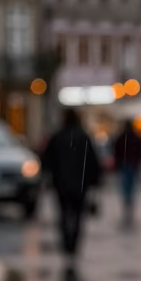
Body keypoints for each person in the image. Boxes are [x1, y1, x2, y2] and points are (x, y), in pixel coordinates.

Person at [41, 109, 100, 264]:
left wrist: (49, 177)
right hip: (80, 184)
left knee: (63, 214)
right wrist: (94, 181)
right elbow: (93, 161)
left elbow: (47, 159)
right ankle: (73, 244)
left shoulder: (57, 137)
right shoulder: (83, 137)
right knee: (78, 215)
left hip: (61, 184)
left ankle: (66, 243)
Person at [111, 119, 141, 225]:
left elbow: (116, 151)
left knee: (126, 188)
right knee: (131, 188)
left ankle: (127, 208)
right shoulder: (136, 138)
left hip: (125, 165)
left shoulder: (121, 137)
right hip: (132, 165)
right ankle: (129, 209)